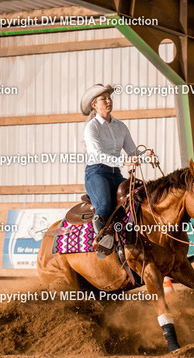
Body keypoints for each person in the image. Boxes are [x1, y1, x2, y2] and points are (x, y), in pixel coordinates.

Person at [80, 83, 138, 257]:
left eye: (109, 97)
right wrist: (124, 161)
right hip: (96, 172)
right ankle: (102, 242)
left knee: (138, 197)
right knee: (104, 205)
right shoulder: (92, 127)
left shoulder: (121, 126)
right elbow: (98, 155)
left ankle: (137, 242)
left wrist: (146, 156)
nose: (108, 101)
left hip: (115, 174)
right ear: (94, 105)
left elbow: (133, 151)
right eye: (103, 99)